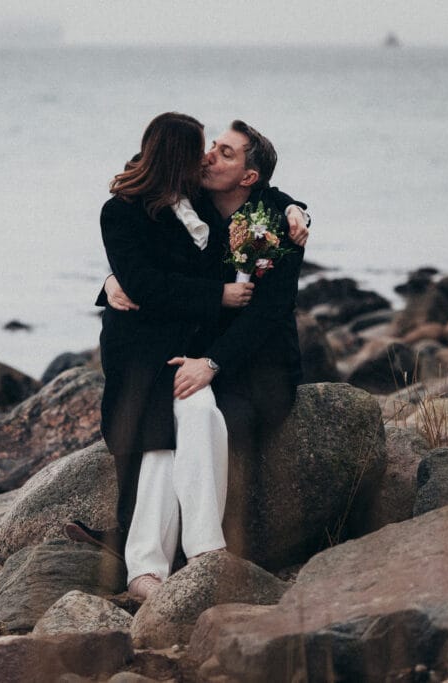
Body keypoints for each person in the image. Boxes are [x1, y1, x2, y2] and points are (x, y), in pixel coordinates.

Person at [104, 119, 309, 562]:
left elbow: (267, 315)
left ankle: (180, 552)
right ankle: (152, 546)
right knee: (161, 413)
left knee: (198, 421)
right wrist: (110, 281)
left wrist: (212, 364)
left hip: (255, 370)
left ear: (248, 177)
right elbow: (142, 240)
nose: (209, 156)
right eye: (213, 145)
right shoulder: (191, 200)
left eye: (224, 153)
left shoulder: (274, 226)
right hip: (192, 355)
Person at [91, 112, 261, 599]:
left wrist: (297, 214)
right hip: (140, 352)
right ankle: (155, 566)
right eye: (201, 147)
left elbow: (267, 198)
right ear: (177, 155)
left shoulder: (202, 202)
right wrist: (217, 295)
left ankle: (196, 553)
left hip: (188, 351)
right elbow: (143, 282)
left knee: (198, 415)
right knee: (161, 438)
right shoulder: (121, 210)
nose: (207, 156)